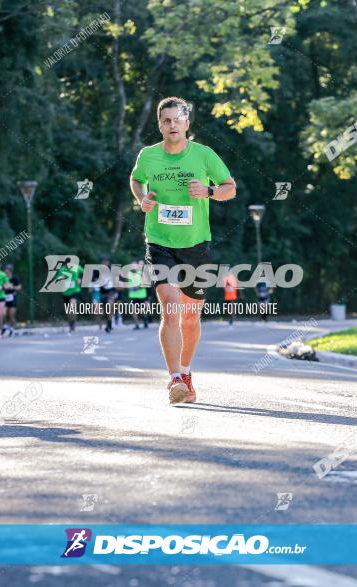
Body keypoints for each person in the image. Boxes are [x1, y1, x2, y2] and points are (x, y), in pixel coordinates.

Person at [130, 96, 236, 404]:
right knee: (170, 305)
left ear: (187, 124)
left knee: (190, 318)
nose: (172, 124)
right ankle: (174, 378)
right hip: (159, 241)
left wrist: (209, 191)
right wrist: (142, 199)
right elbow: (136, 180)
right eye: (166, 120)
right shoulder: (148, 156)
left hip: (196, 245)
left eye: (177, 119)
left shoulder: (204, 155)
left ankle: (186, 371)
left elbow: (230, 187)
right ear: (160, 124)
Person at [59, 258, 85, 332]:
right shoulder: (62, 269)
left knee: (72, 304)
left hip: (75, 291)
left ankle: (73, 323)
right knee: (68, 310)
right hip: (66, 292)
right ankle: (71, 323)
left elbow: (86, 274)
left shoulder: (77, 268)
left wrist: (80, 279)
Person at [128, 260, 149, 330]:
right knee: (133, 310)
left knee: (142, 310)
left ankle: (145, 319)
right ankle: (137, 324)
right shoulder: (128, 274)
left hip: (142, 295)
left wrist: (138, 287)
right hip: (133, 296)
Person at [2, 264, 22, 336]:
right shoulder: (3, 278)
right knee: (3, 314)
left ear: (10, 271)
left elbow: (19, 287)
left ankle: (12, 328)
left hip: (12, 298)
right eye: (5, 270)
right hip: (3, 297)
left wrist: (12, 287)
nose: (6, 272)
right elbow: (1, 286)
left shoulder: (14, 278)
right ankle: (4, 326)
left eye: (7, 270)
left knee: (11, 315)